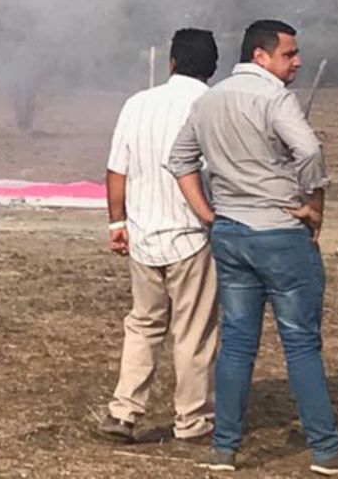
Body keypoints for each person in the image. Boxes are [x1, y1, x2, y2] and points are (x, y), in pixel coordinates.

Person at [168, 20, 338, 475]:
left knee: (236, 344)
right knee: (301, 344)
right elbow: (309, 151)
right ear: (261, 55)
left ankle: (224, 449)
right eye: (289, 54)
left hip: (231, 234)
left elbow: (179, 159)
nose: (296, 62)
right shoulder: (275, 98)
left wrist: (208, 213)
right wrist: (313, 204)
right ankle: (325, 449)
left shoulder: (209, 99)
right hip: (279, 233)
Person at [98, 28, 220, 445]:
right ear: (213, 68)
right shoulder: (211, 105)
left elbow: (118, 169)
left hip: (144, 236)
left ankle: (124, 411)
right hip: (194, 235)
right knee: (194, 331)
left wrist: (118, 224)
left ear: (171, 63)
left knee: (143, 324)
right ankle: (192, 420)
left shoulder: (138, 104)